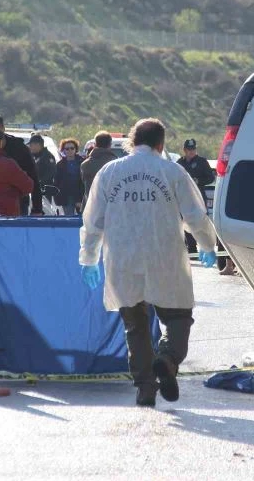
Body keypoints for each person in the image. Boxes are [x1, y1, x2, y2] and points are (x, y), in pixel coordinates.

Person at [79, 118, 217, 407]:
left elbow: (93, 221)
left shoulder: (109, 172)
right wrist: (207, 244)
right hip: (164, 257)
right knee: (178, 317)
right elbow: (195, 215)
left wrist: (89, 258)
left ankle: (144, 387)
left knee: (135, 326)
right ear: (161, 143)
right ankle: (167, 358)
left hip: (123, 259)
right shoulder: (172, 171)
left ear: (132, 141)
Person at [0, 114, 43, 216]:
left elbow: (33, 179)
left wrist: (37, 209)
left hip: (16, 205)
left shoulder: (19, 148)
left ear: (3, 129)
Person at [177, 139, 214, 254]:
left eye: (193, 149)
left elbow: (210, 178)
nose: (192, 152)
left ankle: (205, 246)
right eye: (189, 149)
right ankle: (191, 248)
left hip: (199, 197)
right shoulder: (180, 163)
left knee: (200, 222)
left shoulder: (202, 162)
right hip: (184, 197)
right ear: (185, 150)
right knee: (186, 221)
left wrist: (198, 181)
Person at [80, 131, 117, 207]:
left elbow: (83, 183)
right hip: (110, 206)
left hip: (90, 207)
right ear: (110, 145)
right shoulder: (116, 163)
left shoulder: (85, 164)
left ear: (95, 144)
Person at [53, 138, 85, 216]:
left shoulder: (83, 162)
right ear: (63, 150)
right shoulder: (60, 164)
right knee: (69, 218)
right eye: (67, 149)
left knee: (82, 219)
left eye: (72, 148)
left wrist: (81, 199)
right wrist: (57, 198)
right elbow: (56, 182)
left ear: (76, 149)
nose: (69, 150)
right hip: (66, 197)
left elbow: (85, 181)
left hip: (81, 196)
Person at [28, 134, 57, 200]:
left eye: (31, 145)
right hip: (33, 189)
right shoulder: (33, 156)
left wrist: (39, 183)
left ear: (38, 145)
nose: (30, 147)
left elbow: (51, 172)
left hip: (44, 190)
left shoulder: (48, 156)